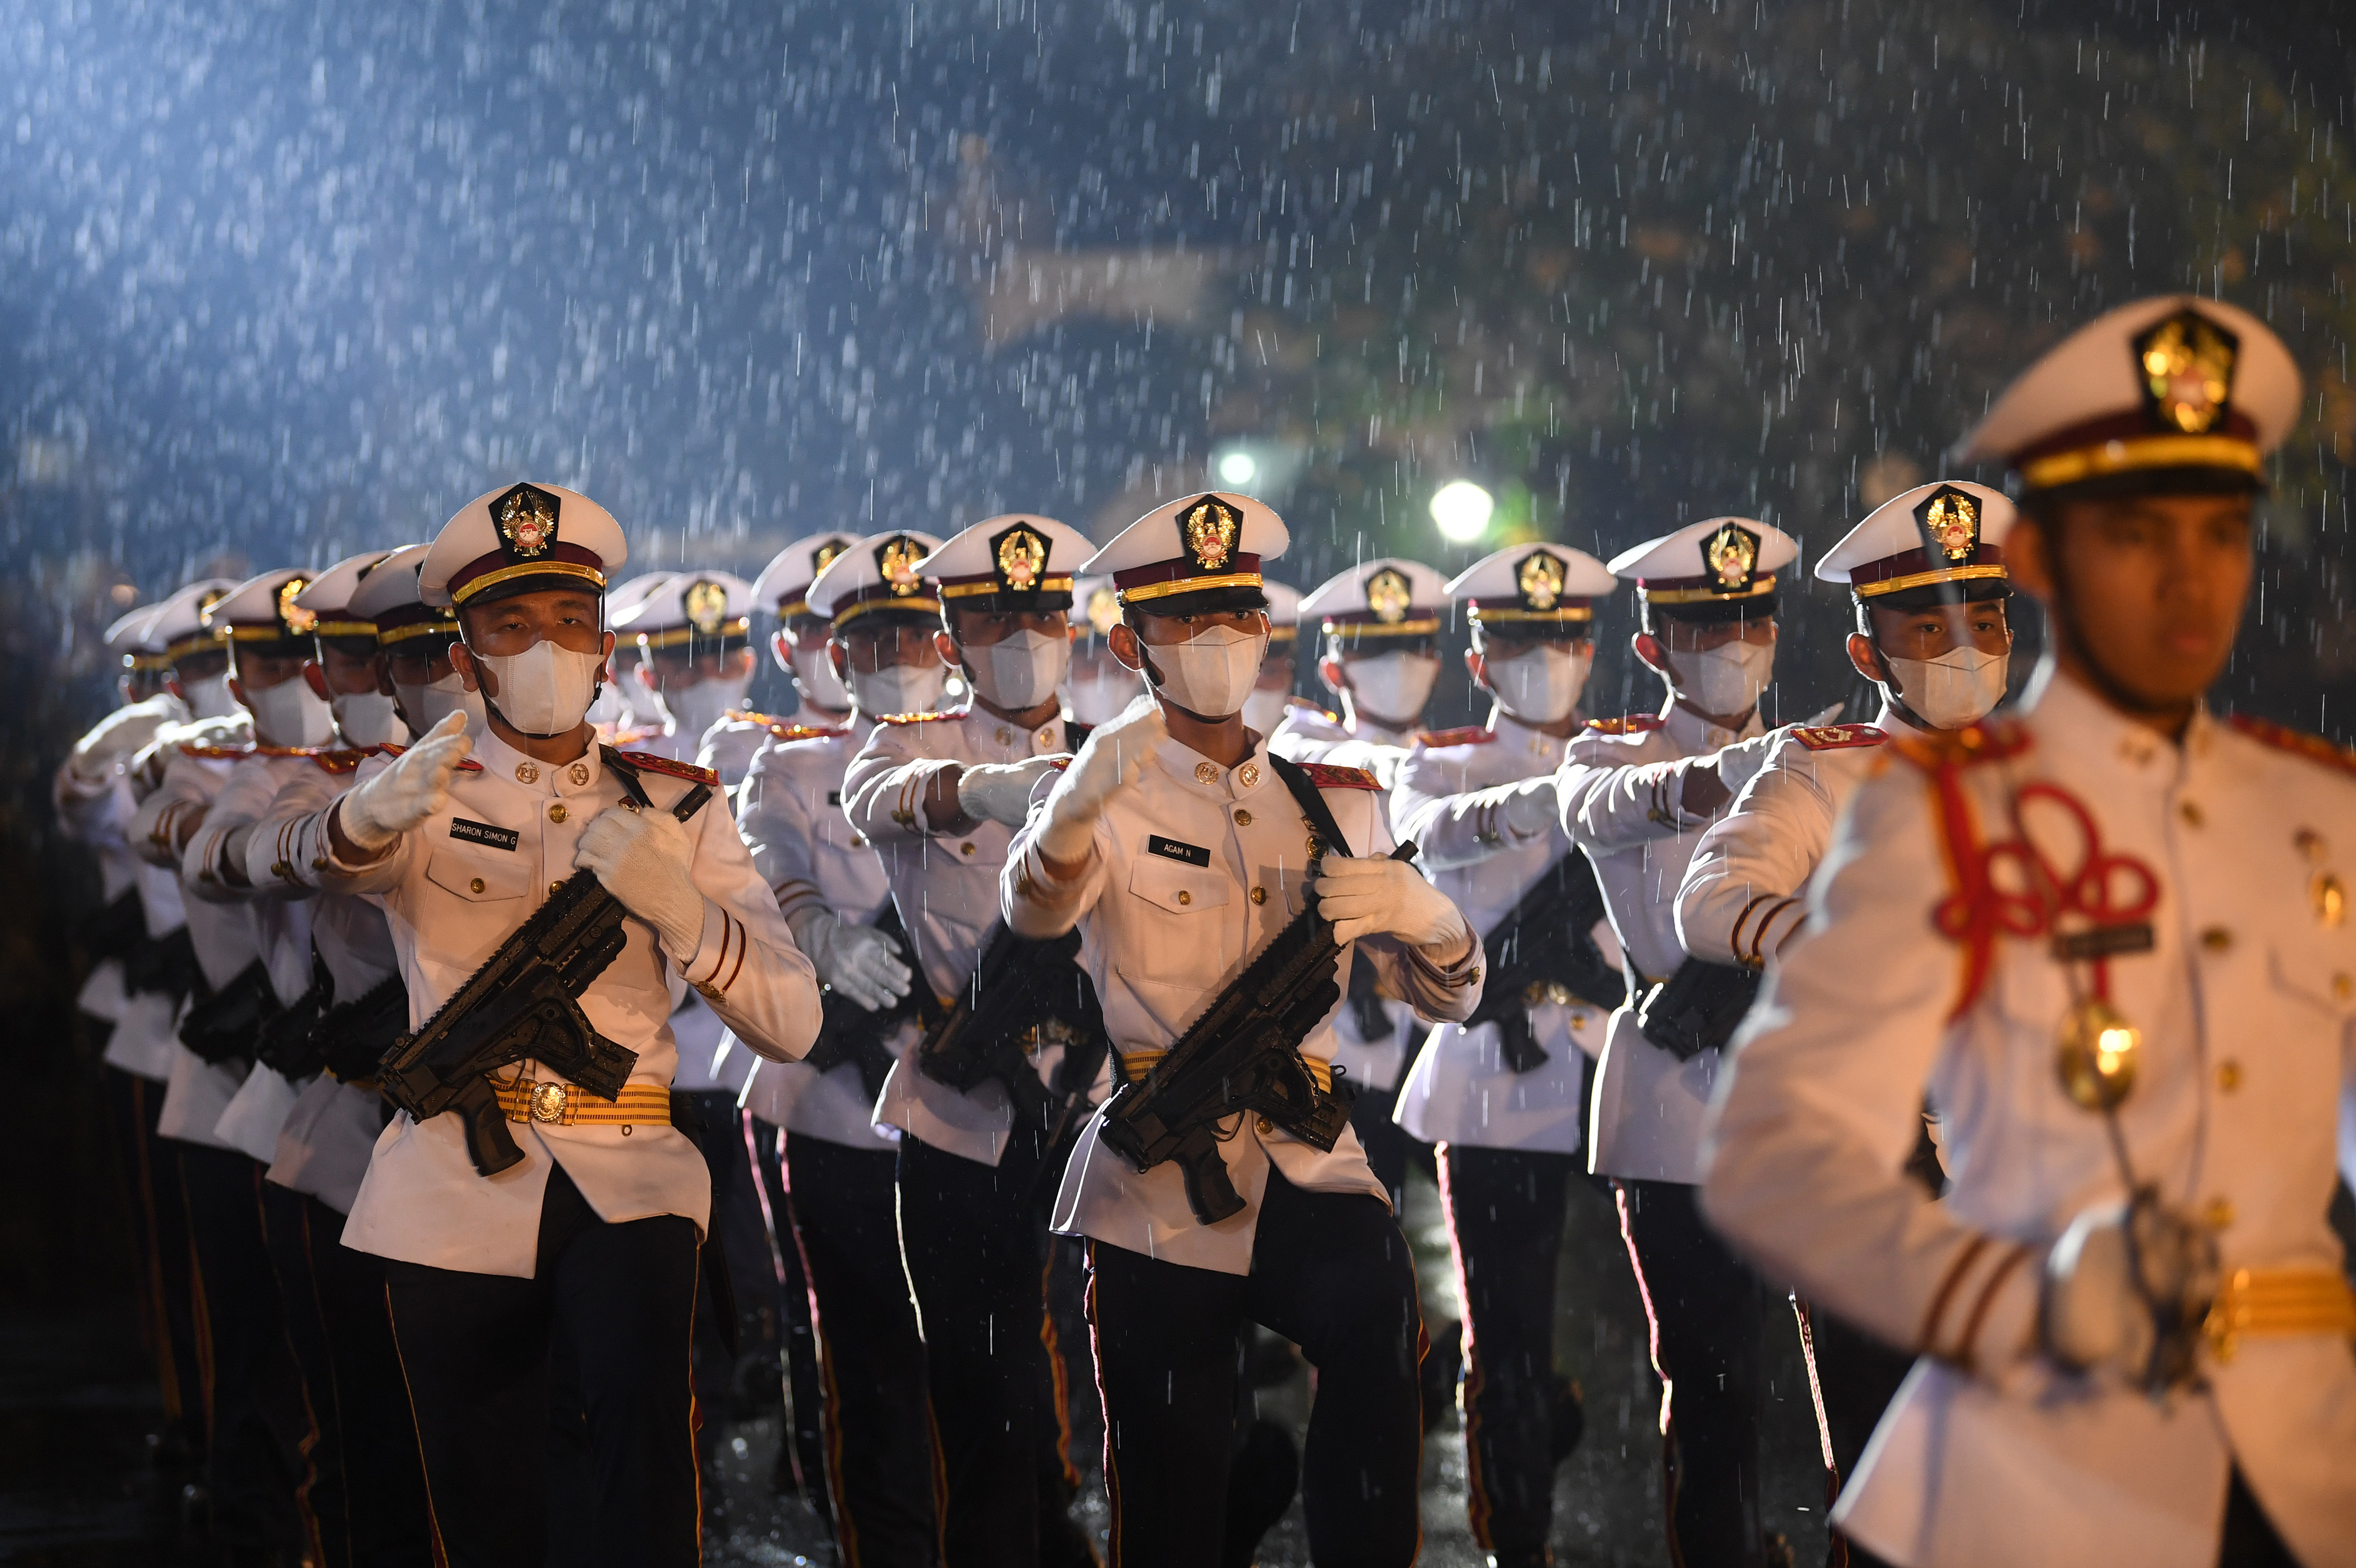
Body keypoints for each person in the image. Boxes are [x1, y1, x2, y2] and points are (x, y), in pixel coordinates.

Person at [1704, 296, 2354, 1568]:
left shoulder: (2279, 805)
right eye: (2135, 536)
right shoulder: (1888, 802)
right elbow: (1772, 1132)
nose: (2184, 578)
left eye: (2215, 532)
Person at [276, 481, 822, 1566]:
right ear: (466, 655)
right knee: (489, 1505)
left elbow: (795, 1021)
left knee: (641, 1468)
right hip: (454, 1179)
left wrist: (683, 910)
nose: (546, 647)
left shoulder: (676, 802)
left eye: (571, 621)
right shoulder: (418, 788)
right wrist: (357, 819)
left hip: (631, 1171)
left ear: (606, 650)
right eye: (512, 624)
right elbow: (306, 856)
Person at [1004, 491, 1486, 1568]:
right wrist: (1072, 807)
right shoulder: (1100, 793)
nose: (1215, 639)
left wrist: (1434, 920)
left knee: (1377, 1318)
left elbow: (1452, 997)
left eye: (1234, 615)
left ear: (1265, 631)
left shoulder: (1335, 801)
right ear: (1130, 644)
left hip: (1308, 1157)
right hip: (1162, 1178)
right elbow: (1033, 910)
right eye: (1184, 619)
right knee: (1170, 1489)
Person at [1673, 482, 2016, 1559]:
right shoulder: (1821, 769)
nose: (1969, 649)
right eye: (1932, 630)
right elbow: (1711, 896)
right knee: (1889, 1470)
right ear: (1870, 655)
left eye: (1988, 621)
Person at [838, 513, 1103, 1567]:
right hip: (963, 1115)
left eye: (1042, 614)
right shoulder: (909, 744)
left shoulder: (1119, 751)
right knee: (980, 1393)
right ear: (950, 642)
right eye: (993, 619)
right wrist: (980, 788)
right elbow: (874, 801)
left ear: (1073, 629)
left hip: (1101, 1110)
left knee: (1131, 1375)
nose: (1023, 636)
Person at [1555, 515, 1804, 1568]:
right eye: (1707, 627)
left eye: (1752, 620)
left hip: (1803, 1087)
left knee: (1855, 1373)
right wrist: (1743, 770)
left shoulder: (1817, 758)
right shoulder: (1610, 753)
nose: (1736, 643)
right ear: (1654, 646)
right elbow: (1605, 810)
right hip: (1678, 1103)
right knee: (1715, 1380)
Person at [1389, 541, 1624, 1568]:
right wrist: (1529, 803)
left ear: (1593, 651)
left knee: (1700, 1335)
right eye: (1522, 644)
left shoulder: (1628, 760)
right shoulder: (1440, 762)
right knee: (1510, 1335)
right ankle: (1517, 1540)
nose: (1548, 662)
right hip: (1495, 1082)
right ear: (1480, 662)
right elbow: (1430, 833)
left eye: (1565, 640)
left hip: (1624, 1063)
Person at [735, 527, 947, 1565]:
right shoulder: (790, 765)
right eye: (872, 639)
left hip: (966, 1105)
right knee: (865, 1366)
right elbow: (766, 858)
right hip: (835, 1108)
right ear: (836, 653)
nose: (898, 657)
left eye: (916, 634)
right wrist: (817, 930)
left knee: (975, 1366)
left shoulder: (995, 766)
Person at [131, 567, 331, 1564]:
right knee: (251, 1342)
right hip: (239, 1093)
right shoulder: (209, 770)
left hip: (342, 1101)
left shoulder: (370, 766)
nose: (292, 676)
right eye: (268, 662)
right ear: (239, 680)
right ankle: (253, 1522)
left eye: (306, 655)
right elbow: (171, 833)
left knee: (328, 1354)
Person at [55, 593, 210, 1471]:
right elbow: (79, 804)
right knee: (174, 1248)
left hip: (239, 1032)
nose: (186, 691)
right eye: (176, 674)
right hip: (157, 1027)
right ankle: (193, 1418)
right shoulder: (141, 770)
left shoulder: (240, 763)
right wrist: (101, 751)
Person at [697, 530, 862, 785]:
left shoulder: (921, 744)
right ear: (784, 650)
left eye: (849, 630)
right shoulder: (743, 748)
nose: (834, 645)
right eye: (816, 631)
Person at [1269, 558, 1448, 785]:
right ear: (1333, 673)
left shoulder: (1461, 758)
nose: (1397, 662)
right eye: (1371, 649)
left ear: (1436, 667)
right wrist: (1380, 764)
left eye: (1414, 646)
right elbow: (1304, 757)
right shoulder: (1305, 743)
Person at [611, 570, 760, 772]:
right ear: (649, 678)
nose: (708, 678)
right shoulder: (625, 767)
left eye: (722, 663)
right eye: (686, 667)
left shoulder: (779, 754)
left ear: (749, 664)